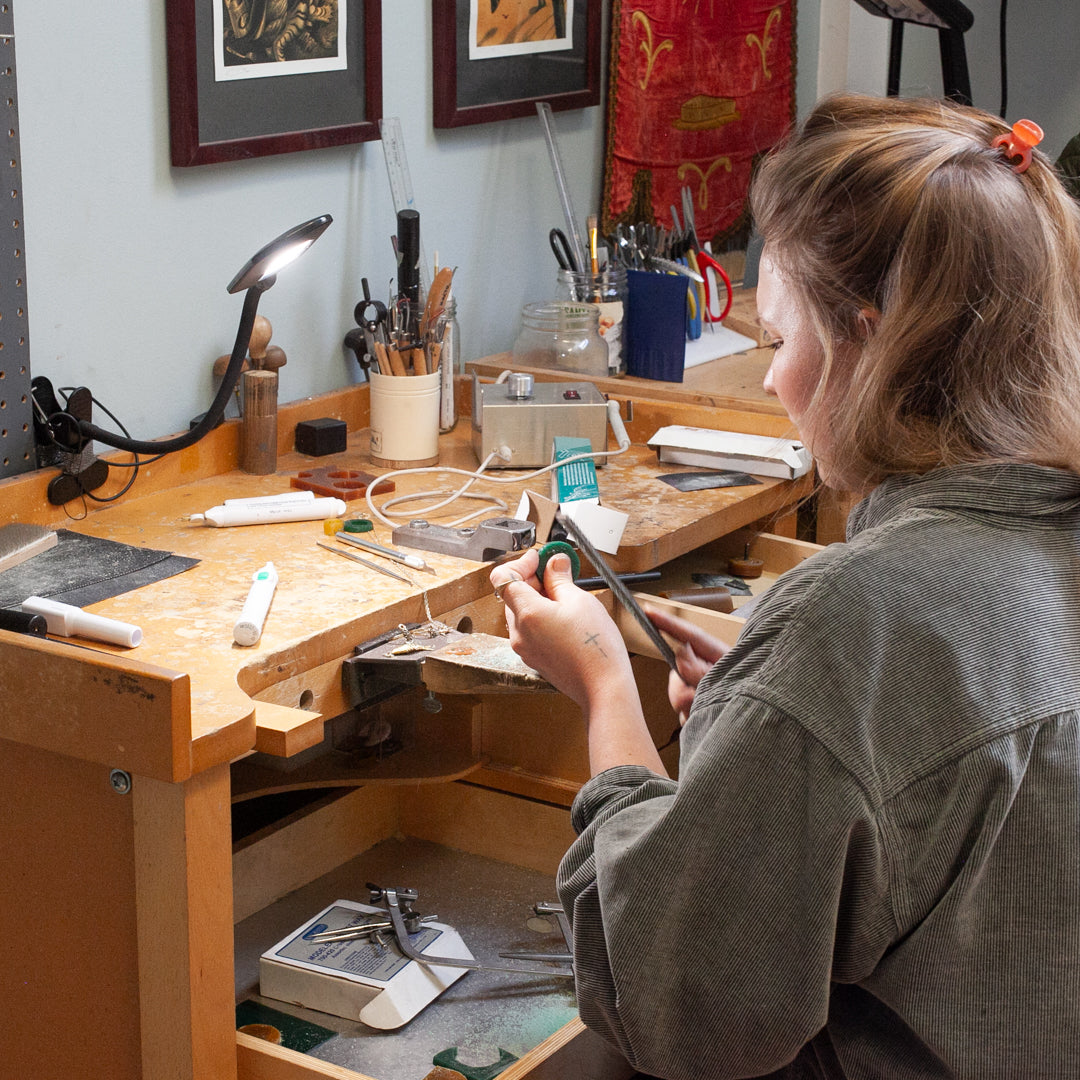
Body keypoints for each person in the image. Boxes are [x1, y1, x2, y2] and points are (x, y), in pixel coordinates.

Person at [490, 93, 1080, 1079]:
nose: (771, 380)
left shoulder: (855, 623)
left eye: (781, 337)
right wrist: (769, 714)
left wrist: (602, 688)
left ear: (863, 340)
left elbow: (670, 1009)